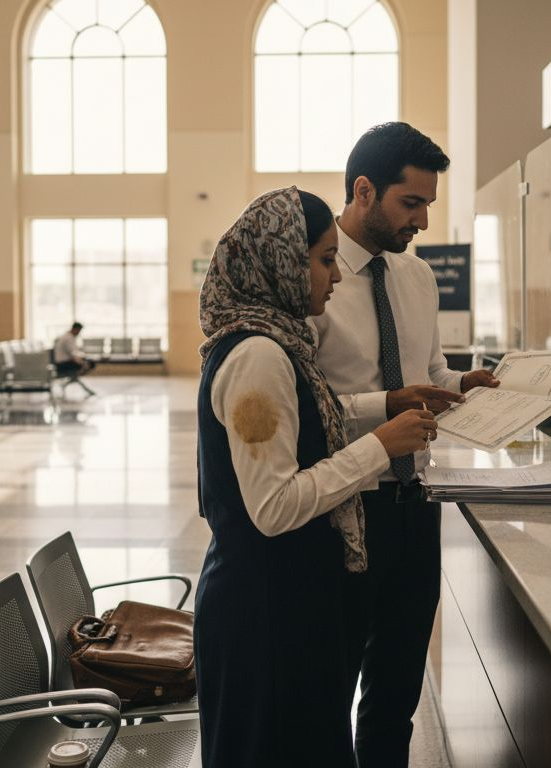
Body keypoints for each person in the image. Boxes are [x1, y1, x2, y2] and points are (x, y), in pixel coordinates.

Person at [195, 187, 437, 767]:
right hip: (264, 614)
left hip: (280, 601)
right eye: (325, 260)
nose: (335, 276)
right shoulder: (259, 356)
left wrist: (386, 410)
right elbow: (274, 506)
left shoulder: (277, 342)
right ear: (281, 260)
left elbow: (311, 420)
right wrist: (379, 449)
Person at [311, 122, 499, 767]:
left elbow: (430, 373)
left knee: (396, 692)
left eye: (427, 205)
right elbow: (301, 410)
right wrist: (382, 407)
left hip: (414, 506)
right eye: (410, 203)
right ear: (364, 191)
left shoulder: (417, 277)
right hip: (343, 510)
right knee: (328, 690)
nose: (421, 220)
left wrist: (462, 383)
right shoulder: (314, 279)